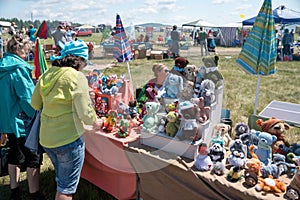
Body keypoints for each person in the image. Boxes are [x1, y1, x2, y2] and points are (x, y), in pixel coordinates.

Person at [31, 39, 102, 200]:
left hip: (47, 138)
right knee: (66, 190)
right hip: (68, 139)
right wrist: (97, 122)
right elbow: (86, 114)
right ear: (80, 60)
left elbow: (35, 103)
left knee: (61, 179)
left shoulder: (46, 74)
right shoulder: (77, 77)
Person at [0, 35, 44, 200]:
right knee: (33, 155)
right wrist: (38, 115)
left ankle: (15, 191)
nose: (28, 55)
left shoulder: (2, 66)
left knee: (14, 154)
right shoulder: (18, 68)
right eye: (27, 52)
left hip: (6, 120)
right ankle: (34, 194)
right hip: (22, 120)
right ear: (19, 50)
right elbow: (27, 98)